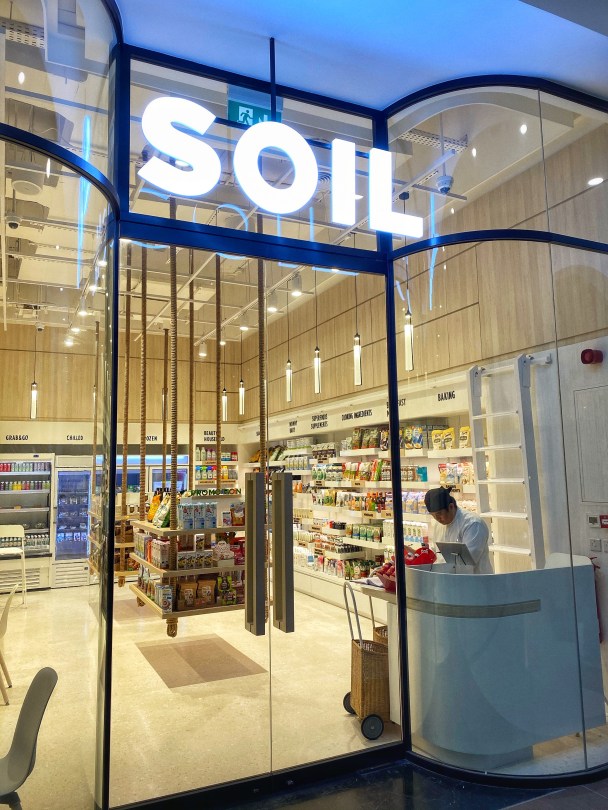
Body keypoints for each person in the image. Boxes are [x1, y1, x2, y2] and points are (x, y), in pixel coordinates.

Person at [424, 486, 492, 574]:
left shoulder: (473, 524)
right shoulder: (438, 525)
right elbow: (437, 555)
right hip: (447, 578)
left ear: (451, 507)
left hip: (474, 580)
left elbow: (467, 563)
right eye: (433, 515)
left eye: (439, 514)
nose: (437, 518)